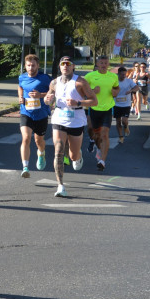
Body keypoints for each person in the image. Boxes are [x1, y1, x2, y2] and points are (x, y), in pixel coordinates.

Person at [44, 56, 98, 197]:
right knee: (58, 150)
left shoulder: (80, 82)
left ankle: (78, 158)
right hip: (59, 118)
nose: (65, 66)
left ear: (73, 66)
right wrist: (47, 100)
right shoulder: (54, 83)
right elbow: (47, 99)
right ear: (60, 66)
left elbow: (94, 101)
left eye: (68, 64)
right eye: (63, 63)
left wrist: (78, 103)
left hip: (76, 120)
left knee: (73, 155)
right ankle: (60, 186)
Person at [16, 53, 51, 178]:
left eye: (33, 65)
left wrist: (40, 95)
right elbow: (20, 87)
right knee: (26, 138)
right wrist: (20, 96)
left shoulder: (45, 78)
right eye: (28, 65)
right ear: (25, 66)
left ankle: (41, 153)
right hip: (26, 112)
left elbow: (52, 93)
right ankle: (25, 167)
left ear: (38, 66)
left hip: (41, 114)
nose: (31, 68)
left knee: (39, 140)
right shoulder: (22, 77)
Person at [84, 56, 119, 171]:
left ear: (108, 64)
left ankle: (102, 161)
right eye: (101, 62)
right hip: (94, 108)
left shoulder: (113, 76)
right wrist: (93, 91)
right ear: (97, 64)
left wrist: (115, 92)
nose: (104, 64)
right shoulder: (90, 76)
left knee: (104, 134)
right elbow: (81, 91)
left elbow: (117, 88)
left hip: (107, 109)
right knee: (94, 133)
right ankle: (96, 146)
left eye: (106, 62)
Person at [113, 66, 135, 145]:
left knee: (124, 121)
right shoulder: (114, 81)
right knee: (118, 121)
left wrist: (131, 90)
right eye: (122, 74)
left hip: (126, 104)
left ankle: (126, 126)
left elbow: (137, 87)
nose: (124, 76)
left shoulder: (129, 81)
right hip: (116, 104)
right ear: (118, 74)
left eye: (125, 74)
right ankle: (121, 137)